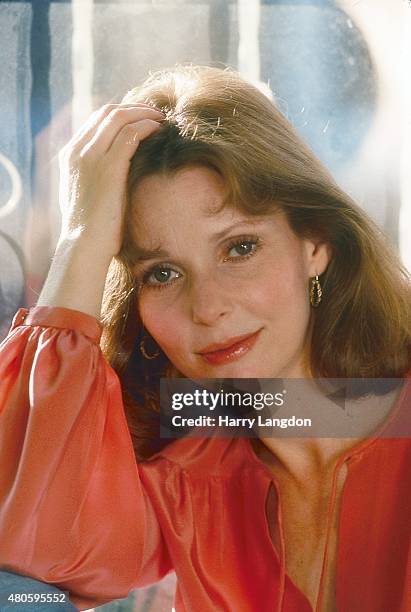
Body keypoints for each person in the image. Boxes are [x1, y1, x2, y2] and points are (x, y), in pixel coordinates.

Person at [0, 64, 410, 612]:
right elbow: (30, 556)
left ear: (316, 243)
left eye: (239, 248)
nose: (208, 307)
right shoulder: (187, 479)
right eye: (162, 273)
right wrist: (82, 238)